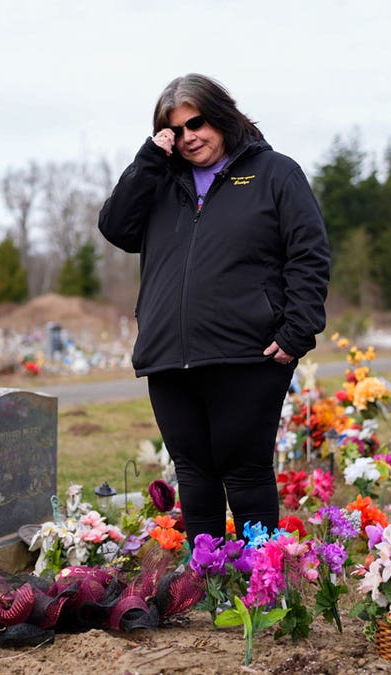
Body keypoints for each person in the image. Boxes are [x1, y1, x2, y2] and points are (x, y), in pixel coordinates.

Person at [98, 74, 331, 544]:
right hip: (170, 355)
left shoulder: (275, 174)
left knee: (244, 469)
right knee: (193, 471)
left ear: (221, 116)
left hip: (249, 353)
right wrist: (149, 157)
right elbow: (116, 227)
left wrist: (295, 332)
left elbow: (309, 254)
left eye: (197, 123)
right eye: (175, 129)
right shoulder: (159, 181)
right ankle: (208, 581)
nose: (188, 137)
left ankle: (259, 584)